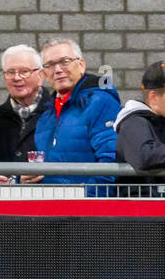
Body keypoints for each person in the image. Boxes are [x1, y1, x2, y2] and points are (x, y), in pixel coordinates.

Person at [34, 38, 122, 186]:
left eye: (65, 61)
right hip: (53, 204)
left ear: (81, 65)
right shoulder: (45, 117)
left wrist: (86, 201)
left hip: (87, 205)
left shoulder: (101, 103)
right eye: (50, 65)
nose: (57, 70)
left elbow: (111, 162)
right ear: (43, 74)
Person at [0, 45, 51, 183]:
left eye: (24, 71)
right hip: (3, 201)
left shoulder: (57, 115)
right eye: (10, 72)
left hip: (48, 199)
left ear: (41, 76)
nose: (16, 77)